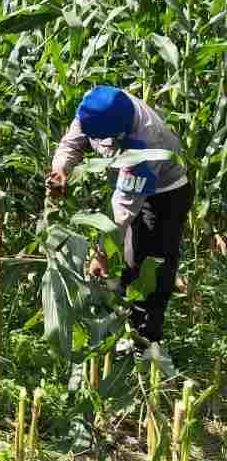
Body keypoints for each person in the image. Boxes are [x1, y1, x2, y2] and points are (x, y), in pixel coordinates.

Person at [47, 85, 191, 345]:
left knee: (149, 269)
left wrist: (101, 253)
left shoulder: (145, 142)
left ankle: (146, 343)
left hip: (164, 195)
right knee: (127, 259)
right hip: (130, 191)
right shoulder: (97, 106)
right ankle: (122, 329)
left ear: (119, 132)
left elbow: (124, 209)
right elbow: (72, 141)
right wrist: (60, 170)